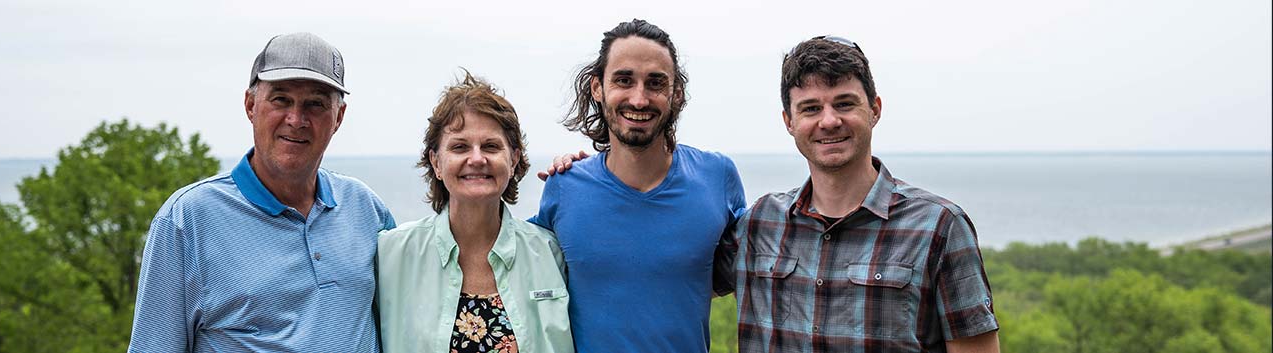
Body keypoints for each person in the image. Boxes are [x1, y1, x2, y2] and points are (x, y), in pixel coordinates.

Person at [721, 35, 1000, 352]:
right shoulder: (758, 224)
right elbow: (671, 280)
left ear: (875, 109)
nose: (829, 121)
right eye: (811, 108)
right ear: (789, 121)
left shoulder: (940, 227)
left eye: (844, 103)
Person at [127, 32, 395, 352]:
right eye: (281, 100)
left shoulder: (365, 209)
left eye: (316, 104)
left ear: (338, 117)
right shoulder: (187, 220)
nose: (296, 120)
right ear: (251, 105)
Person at [529, 19, 747, 352]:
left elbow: (738, 271)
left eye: (655, 83)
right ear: (597, 88)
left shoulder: (718, 177)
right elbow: (524, 276)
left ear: (676, 94)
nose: (639, 99)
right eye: (624, 80)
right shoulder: (564, 187)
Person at [377, 71, 574, 352]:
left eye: (491, 146)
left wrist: (583, 176)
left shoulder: (552, 253)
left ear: (514, 158)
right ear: (436, 163)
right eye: (460, 147)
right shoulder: (390, 255)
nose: (477, 159)